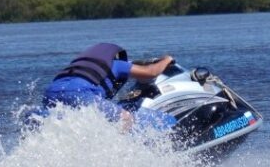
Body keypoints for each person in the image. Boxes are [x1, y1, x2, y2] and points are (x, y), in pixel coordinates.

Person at [42, 43, 176, 128]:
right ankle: (122, 153)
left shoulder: (78, 66)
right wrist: (166, 59)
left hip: (50, 94)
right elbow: (151, 72)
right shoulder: (116, 64)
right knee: (126, 118)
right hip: (80, 93)